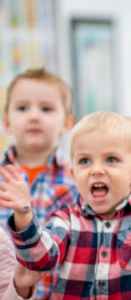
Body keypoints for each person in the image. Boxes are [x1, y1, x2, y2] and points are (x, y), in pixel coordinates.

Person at [1, 112, 131, 299]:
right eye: (85, 161)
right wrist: (24, 215)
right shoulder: (66, 219)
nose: (96, 169)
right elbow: (39, 261)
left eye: (111, 159)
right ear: (74, 175)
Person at [0, 68, 78, 299]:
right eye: (23, 108)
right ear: (7, 122)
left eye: (46, 108)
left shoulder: (78, 179)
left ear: (66, 123)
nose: (34, 116)